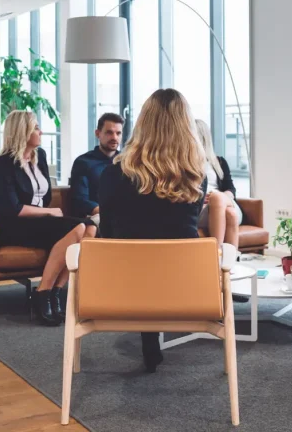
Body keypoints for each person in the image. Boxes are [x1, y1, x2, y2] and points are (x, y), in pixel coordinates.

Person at [98, 89, 208, 373]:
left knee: (137, 251)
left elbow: (107, 233)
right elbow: (183, 229)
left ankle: (149, 333)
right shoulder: (196, 177)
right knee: (165, 251)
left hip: (122, 288)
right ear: (185, 125)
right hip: (187, 289)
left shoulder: (113, 173)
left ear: (142, 123)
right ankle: (151, 334)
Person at [0, 111, 96, 327]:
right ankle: (43, 292)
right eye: (36, 127)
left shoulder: (41, 157)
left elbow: (45, 197)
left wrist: (49, 212)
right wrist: (50, 213)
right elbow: (12, 209)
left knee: (90, 228)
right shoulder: (3, 163)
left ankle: (57, 291)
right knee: (77, 227)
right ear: (23, 131)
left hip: (40, 221)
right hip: (15, 224)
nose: (41, 131)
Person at [194, 119, 242, 247]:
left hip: (225, 202)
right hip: (203, 209)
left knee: (217, 198)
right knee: (231, 214)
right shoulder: (185, 164)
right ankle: (227, 262)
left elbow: (231, 189)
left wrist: (220, 197)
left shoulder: (219, 162)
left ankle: (216, 253)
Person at [69, 113, 124, 222]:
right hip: (96, 217)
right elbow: (80, 200)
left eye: (118, 133)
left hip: (125, 217)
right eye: (109, 132)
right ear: (97, 133)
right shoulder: (83, 162)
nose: (114, 137)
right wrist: (110, 213)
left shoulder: (127, 162)